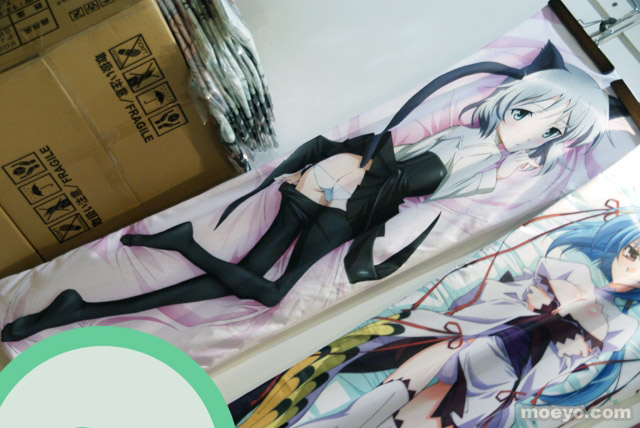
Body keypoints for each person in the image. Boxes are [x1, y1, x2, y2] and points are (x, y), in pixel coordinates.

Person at [1, 42, 611, 342]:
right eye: (530, 113)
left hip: (351, 203)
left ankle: (81, 309)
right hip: (343, 195)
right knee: (268, 290)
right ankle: (146, 267)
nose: (531, 130)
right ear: (514, 98)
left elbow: (424, 198)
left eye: (553, 131)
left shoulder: (493, 167)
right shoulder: (462, 133)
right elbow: (395, 155)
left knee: (252, 281)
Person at [237, 209, 640, 428]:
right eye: (633, 251)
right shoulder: (575, 272)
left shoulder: (622, 325)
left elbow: (576, 350)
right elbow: (528, 293)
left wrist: (561, 314)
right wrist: (552, 306)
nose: (632, 263)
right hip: (477, 336)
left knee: (415, 418)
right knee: (387, 395)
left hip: (506, 376)